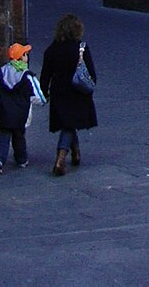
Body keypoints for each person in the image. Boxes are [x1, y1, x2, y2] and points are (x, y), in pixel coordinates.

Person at [40, 12, 97, 176]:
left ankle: (76, 153)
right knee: (70, 124)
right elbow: (91, 72)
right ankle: (60, 158)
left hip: (59, 91)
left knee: (68, 123)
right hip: (77, 92)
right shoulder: (81, 48)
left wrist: (44, 92)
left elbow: (45, 75)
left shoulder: (51, 50)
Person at [0, 41, 44, 173]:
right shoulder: (27, 76)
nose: (27, 57)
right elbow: (37, 96)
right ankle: (21, 160)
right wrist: (42, 101)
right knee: (19, 137)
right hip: (21, 114)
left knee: (4, 136)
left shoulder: (1, 74)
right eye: (26, 54)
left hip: (3, 112)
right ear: (22, 57)